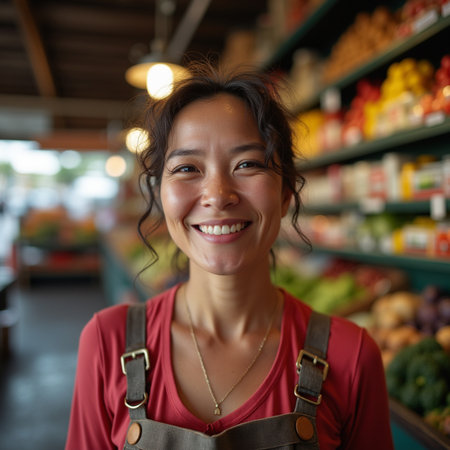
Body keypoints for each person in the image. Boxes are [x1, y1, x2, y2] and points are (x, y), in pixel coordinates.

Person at [66, 63, 394, 450]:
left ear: (285, 191)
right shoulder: (107, 343)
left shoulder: (351, 355)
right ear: (160, 195)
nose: (218, 194)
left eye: (248, 164)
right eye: (187, 168)